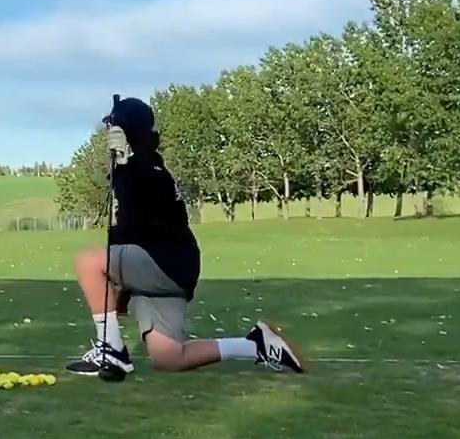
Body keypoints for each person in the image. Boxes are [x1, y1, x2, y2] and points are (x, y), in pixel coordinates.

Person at [67, 97, 307, 378]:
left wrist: (123, 163)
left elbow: (138, 209)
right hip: (171, 267)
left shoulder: (147, 169)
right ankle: (256, 345)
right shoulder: (140, 167)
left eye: (113, 127)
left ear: (125, 130)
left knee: (88, 262)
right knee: (169, 357)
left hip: (164, 264)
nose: (107, 133)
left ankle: (111, 352)